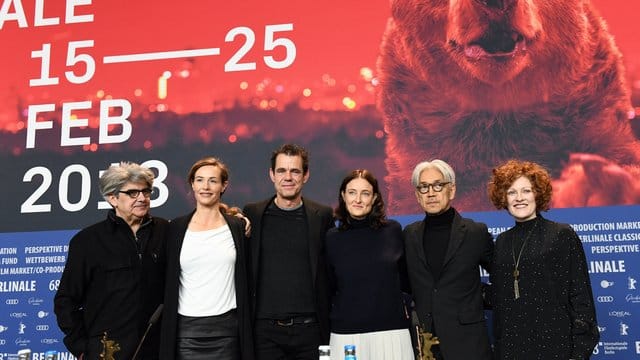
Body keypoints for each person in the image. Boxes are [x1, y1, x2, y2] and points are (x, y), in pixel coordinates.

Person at [54, 161, 168, 360]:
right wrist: (83, 348)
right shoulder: (87, 241)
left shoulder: (167, 231)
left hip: (158, 349)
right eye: (133, 193)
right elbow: (66, 301)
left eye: (146, 192)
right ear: (112, 198)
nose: (142, 198)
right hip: (107, 351)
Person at [487, 159, 599, 359]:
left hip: (556, 346)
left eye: (526, 191)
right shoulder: (502, 241)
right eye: (512, 192)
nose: (519, 198)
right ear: (503, 198)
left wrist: (580, 352)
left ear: (538, 194)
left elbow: (580, 296)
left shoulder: (561, 234)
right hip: (512, 348)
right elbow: (500, 302)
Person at [243, 143, 334, 360]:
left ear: (306, 175)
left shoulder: (322, 215)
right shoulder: (253, 214)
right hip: (265, 333)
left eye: (295, 171)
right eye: (282, 171)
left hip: (311, 332)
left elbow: (331, 270)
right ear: (272, 175)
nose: (288, 177)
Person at [160, 157, 253, 360]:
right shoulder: (175, 228)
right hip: (186, 334)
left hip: (228, 333)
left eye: (213, 180)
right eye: (200, 180)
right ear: (192, 184)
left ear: (223, 185)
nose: (206, 186)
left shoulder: (237, 227)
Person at [403, 159, 493, 360]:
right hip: (426, 345)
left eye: (438, 185)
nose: (431, 193)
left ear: (451, 190)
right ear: (418, 195)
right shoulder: (409, 235)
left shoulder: (474, 232)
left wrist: (479, 296)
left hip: (468, 343)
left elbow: (503, 277)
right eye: (424, 187)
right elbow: (405, 284)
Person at [325, 169, 413, 359]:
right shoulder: (332, 238)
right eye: (352, 192)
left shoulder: (393, 231)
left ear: (374, 198)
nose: (358, 199)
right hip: (346, 336)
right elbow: (328, 286)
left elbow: (406, 280)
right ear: (343, 196)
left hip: (391, 333)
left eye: (365, 193)